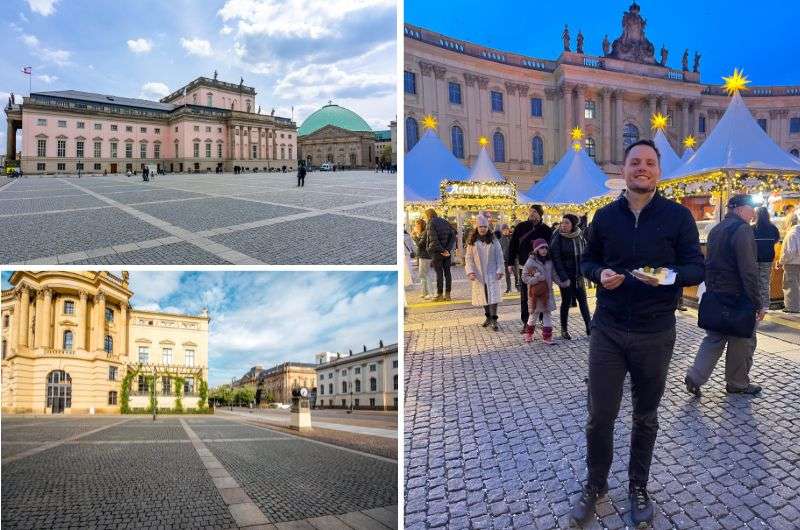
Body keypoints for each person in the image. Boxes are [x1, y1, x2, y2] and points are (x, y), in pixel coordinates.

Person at [570, 139, 705, 526]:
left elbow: (696, 269)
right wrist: (599, 274)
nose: (642, 168)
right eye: (634, 162)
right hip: (609, 329)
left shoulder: (678, 217)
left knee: (645, 415)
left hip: (655, 330)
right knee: (600, 415)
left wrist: (665, 278)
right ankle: (595, 484)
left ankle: (638, 485)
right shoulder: (604, 217)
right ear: (623, 170)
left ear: (658, 172)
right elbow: (587, 260)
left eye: (649, 163)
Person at [685, 194, 765, 397]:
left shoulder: (717, 229)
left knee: (714, 337)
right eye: (751, 208)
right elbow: (748, 270)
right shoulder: (743, 230)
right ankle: (737, 383)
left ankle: (695, 376)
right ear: (739, 209)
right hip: (738, 297)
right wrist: (758, 302)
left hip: (717, 294)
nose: (754, 212)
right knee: (742, 340)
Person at [507, 205, 553, 332]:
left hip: (542, 268)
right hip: (524, 267)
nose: (532, 214)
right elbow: (513, 245)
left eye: (535, 212)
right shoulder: (521, 227)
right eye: (531, 211)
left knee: (543, 293)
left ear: (540, 214)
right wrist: (510, 262)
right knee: (526, 296)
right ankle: (526, 322)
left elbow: (551, 249)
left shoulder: (547, 230)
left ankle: (543, 319)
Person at [550, 213, 592, 339]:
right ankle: (564, 329)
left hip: (578, 275)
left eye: (566, 223)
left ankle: (589, 327)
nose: (563, 225)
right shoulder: (557, 236)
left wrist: (585, 269)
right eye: (562, 223)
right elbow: (556, 259)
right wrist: (563, 277)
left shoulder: (579, 235)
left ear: (573, 224)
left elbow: (586, 253)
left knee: (583, 302)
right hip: (566, 275)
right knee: (566, 302)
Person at [465, 214, 505, 331]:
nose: (483, 228)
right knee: (484, 296)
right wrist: (471, 272)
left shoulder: (494, 241)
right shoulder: (472, 242)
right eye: (480, 226)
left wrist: (500, 270)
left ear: (488, 228)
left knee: (493, 296)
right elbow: (469, 258)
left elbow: (499, 256)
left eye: (485, 227)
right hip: (479, 273)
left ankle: (494, 319)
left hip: (492, 272)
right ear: (477, 228)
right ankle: (488, 316)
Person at [521, 238, 560, 344]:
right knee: (534, 314)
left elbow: (554, 275)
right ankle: (528, 334)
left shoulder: (549, 261)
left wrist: (562, 283)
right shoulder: (530, 262)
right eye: (541, 248)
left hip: (547, 293)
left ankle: (547, 337)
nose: (544, 250)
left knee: (547, 314)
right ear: (536, 249)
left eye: (545, 248)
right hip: (536, 294)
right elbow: (524, 278)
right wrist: (536, 279)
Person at [425, 208, 456, 302]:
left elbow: (433, 240)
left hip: (437, 252)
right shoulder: (445, 221)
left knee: (439, 274)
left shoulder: (431, 223)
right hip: (447, 252)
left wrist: (442, 250)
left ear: (428, 215)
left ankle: (440, 295)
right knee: (447, 273)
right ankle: (448, 294)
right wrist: (447, 250)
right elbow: (453, 236)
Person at [753, 206, 780, 310]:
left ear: (757, 215)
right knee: (765, 282)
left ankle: (756, 304)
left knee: (755, 281)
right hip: (768, 258)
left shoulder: (753, 228)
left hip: (755, 258)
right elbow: (776, 240)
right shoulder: (773, 228)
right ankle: (765, 305)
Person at [777, 212, 800, 312]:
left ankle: (792, 307)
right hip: (798, 261)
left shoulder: (791, 233)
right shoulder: (798, 232)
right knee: (797, 284)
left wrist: (781, 261)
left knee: (790, 285)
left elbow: (790, 251)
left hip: (792, 263)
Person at [411, 219, 433, 300]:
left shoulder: (425, 233)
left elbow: (420, 245)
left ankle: (431, 293)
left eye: (417, 225)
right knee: (422, 275)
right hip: (422, 256)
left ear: (421, 225)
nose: (415, 226)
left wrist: (414, 236)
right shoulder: (423, 233)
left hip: (425, 256)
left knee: (425, 274)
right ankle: (424, 293)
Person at [499, 224, 518, 293]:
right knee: (507, 275)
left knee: (516, 274)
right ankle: (508, 288)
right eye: (504, 230)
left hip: (514, 259)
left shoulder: (512, 238)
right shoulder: (500, 240)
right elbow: (500, 251)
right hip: (506, 260)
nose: (506, 231)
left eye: (507, 229)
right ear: (502, 231)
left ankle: (517, 286)